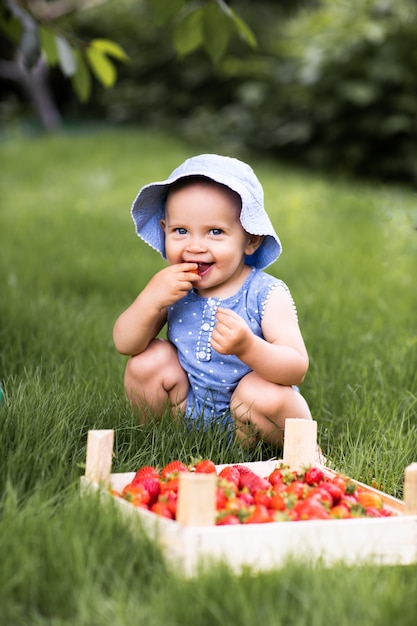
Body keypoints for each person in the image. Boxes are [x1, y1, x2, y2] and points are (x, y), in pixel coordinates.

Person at [113, 154, 313, 449]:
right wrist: (150, 300)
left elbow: (296, 366)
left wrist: (249, 348)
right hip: (187, 411)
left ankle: (305, 454)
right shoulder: (173, 286)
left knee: (264, 392)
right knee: (146, 361)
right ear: (164, 228)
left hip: (249, 420)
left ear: (251, 240)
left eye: (215, 232)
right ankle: (156, 443)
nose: (195, 246)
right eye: (181, 231)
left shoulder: (266, 293)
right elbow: (125, 344)